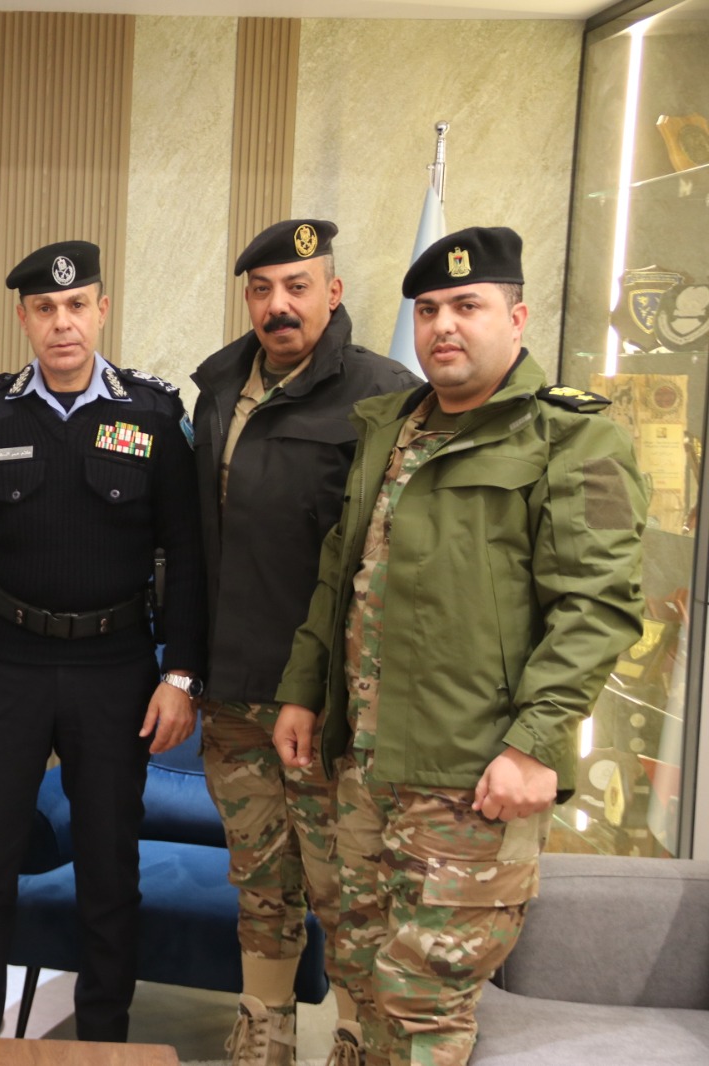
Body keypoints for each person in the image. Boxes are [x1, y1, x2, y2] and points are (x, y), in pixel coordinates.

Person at [273, 226, 645, 1066]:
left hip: (471, 782)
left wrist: (535, 744)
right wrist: (302, 689)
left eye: (466, 306)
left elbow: (597, 608)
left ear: (515, 318)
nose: (443, 325)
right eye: (429, 309)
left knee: (421, 1006)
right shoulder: (391, 428)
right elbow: (341, 574)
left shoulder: (570, 438)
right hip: (364, 770)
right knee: (360, 982)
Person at [0, 241, 205, 1042]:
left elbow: (189, 553)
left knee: (110, 870)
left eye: (77, 306)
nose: (62, 322)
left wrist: (181, 673)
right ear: (24, 319)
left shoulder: (153, 414)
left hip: (116, 667)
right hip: (4, 663)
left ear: (102, 310)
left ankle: (103, 1043)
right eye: (45, 308)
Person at [191, 219, 417, 1066]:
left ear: (334, 291)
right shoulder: (220, 386)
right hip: (234, 691)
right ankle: (265, 1030)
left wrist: (329, 692)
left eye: (297, 286)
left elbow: (385, 563)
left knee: (347, 889)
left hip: (328, 702)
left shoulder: (385, 395)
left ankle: (354, 1040)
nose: (278, 306)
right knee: (260, 881)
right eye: (261, 290)